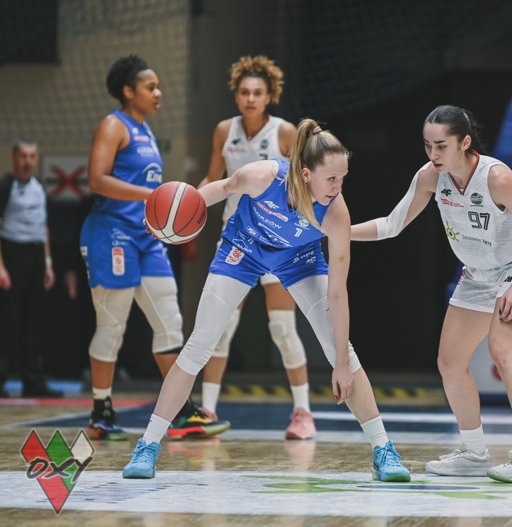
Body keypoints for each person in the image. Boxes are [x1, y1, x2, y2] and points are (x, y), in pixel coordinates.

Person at [122, 119, 410, 483]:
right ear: (305, 174)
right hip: (243, 247)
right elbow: (218, 189)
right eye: (332, 179)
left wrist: (339, 361)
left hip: (298, 257)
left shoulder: (336, 213)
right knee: (198, 346)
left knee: (344, 352)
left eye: (343, 179)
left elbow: (338, 292)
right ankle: (147, 445)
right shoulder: (261, 176)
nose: (338, 188)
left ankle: (384, 450)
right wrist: (169, 219)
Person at [351, 105, 512, 484]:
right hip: (477, 274)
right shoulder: (430, 177)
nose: (433, 154)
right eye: (427, 145)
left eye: (441, 145)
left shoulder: (497, 178)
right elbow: (392, 225)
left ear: (464, 142)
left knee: (502, 350)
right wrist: (339, 232)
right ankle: (474, 453)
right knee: (449, 361)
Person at [81, 55, 229, 440]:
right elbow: (96, 180)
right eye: (151, 87)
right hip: (111, 233)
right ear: (129, 91)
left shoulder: (146, 132)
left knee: (170, 322)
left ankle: (182, 411)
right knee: (112, 325)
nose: (159, 93)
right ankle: (101, 411)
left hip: (148, 238)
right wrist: (151, 195)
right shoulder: (113, 125)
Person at [196, 55, 315, 439]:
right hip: (237, 238)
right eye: (244, 92)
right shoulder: (223, 131)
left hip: (277, 240)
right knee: (222, 326)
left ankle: (303, 413)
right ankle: (207, 412)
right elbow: (212, 178)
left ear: (269, 96)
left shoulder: (285, 133)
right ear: (236, 95)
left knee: (282, 328)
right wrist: (184, 203)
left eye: (257, 93)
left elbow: (307, 184)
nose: (250, 98)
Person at [0, 140, 62, 398]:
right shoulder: (5, 185)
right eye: (23, 156)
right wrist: (1, 266)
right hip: (12, 253)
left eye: (32, 156)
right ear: (14, 157)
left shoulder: (38, 187)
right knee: (6, 321)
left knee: (33, 322)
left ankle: (33, 381)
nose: (28, 161)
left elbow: (43, 225)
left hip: (36, 256)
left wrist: (48, 263)